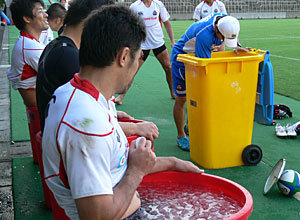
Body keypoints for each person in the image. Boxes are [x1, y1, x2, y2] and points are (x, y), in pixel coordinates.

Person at [42, 5, 203, 219]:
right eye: (138, 58)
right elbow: (97, 216)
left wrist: (172, 162)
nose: (137, 65)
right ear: (124, 56)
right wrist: (137, 171)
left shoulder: (82, 94)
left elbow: (110, 167)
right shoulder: (86, 123)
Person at [171, 13, 250, 151]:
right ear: (217, 31)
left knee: (196, 96)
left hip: (195, 58)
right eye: (222, 37)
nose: (222, 41)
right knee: (182, 99)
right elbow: (204, 66)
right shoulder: (204, 35)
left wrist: (236, 46)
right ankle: (180, 136)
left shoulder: (226, 21)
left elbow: (223, 44)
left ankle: (190, 127)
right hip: (182, 59)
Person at [36, 0, 114, 134]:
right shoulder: (67, 56)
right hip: (66, 139)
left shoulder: (58, 46)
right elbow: (88, 121)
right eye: (103, 27)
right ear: (87, 21)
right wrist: (133, 127)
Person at [115, 0, 176, 105]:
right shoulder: (135, 6)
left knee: (168, 67)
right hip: (142, 45)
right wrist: (137, 45)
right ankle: (121, 96)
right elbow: (131, 27)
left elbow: (166, 23)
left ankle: (173, 92)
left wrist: (172, 41)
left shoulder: (158, 4)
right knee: (133, 71)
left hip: (158, 43)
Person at [7, 0, 48, 107]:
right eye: (40, 11)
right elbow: (57, 77)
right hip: (41, 110)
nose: (46, 15)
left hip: (38, 107)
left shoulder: (27, 42)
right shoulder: (31, 47)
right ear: (27, 18)